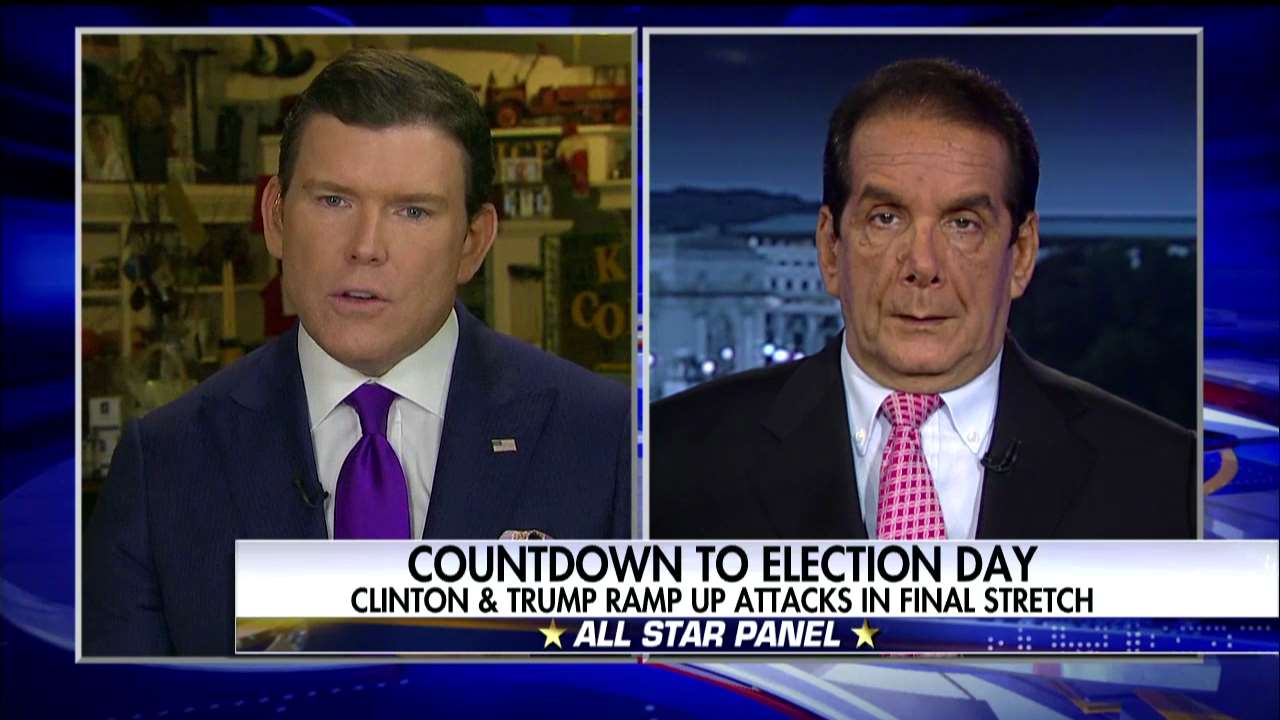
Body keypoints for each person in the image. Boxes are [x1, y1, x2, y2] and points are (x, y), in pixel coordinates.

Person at [85, 49, 631, 656]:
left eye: (413, 210)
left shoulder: (605, 441)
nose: (366, 246)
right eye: (333, 201)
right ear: (276, 219)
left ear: (472, 242)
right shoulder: (164, 463)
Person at [649, 58, 1195, 541]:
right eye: (886, 218)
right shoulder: (669, 462)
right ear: (831, 249)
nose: (923, 266)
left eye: (963, 223)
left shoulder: (1166, 479)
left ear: (1022, 254)